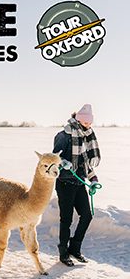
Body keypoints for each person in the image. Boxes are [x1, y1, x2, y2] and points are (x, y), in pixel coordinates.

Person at [53, 104, 101, 267]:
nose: (88, 125)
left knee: (87, 215)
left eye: (90, 123)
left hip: (79, 182)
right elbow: (53, 158)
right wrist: (62, 163)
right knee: (66, 219)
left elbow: (85, 162)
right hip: (65, 182)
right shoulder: (64, 134)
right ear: (79, 120)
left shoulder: (87, 135)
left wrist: (93, 179)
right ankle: (63, 252)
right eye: (86, 122)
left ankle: (75, 248)